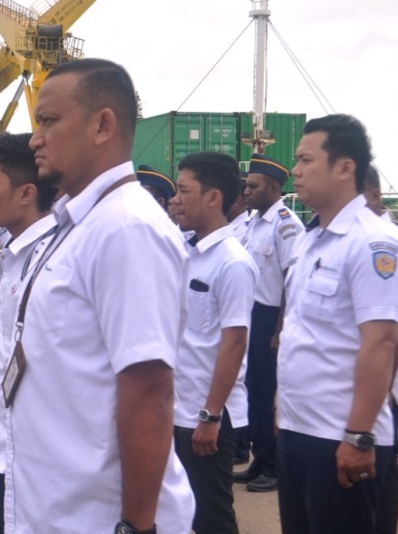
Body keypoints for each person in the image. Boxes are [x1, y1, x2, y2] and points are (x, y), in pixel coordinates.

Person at [9, 58, 195, 533]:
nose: (35, 139)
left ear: (102, 125)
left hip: (97, 519)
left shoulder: (126, 228)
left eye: (48, 121)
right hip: (56, 507)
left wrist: (136, 526)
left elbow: (149, 391)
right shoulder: (79, 224)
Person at [276, 114, 398, 533]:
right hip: (299, 429)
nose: (295, 170)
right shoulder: (310, 239)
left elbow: (382, 344)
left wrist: (359, 435)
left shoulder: (373, 244)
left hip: (341, 438)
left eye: (305, 160)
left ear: (344, 168)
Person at [170, 152, 258, 534]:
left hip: (205, 416)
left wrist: (210, 415)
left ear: (213, 197)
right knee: (177, 511)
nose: (176, 199)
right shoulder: (187, 251)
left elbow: (234, 344)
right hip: (176, 406)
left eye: (184, 190)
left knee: (211, 516)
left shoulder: (232, 262)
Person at [0, 132, 58, 534]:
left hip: (41, 458)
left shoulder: (55, 261)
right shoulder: (10, 254)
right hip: (12, 446)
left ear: (27, 194)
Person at [233, 154, 304, 492]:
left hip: (271, 318)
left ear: (274, 188)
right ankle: (258, 461)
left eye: (253, 185)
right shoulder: (253, 222)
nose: (246, 191)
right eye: (246, 185)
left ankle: (273, 468)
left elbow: (292, 279)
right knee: (254, 395)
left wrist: (280, 329)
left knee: (269, 395)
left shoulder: (286, 224)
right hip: (251, 316)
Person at [363, 166, 398, 534]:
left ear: (374, 195)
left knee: (382, 466)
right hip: (371, 374)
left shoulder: (388, 242)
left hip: (386, 371)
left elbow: (394, 328)